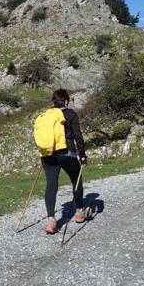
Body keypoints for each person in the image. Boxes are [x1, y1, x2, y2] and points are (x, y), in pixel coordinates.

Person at [42, 88, 88, 234]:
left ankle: (50, 220)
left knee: (51, 185)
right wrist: (82, 155)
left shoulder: (46, 115)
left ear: (53, 102)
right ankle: (80, 212)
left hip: (48, 155)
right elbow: (78, 136)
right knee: (76, 179)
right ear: (66, 101)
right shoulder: (70, 113)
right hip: (67, 153)